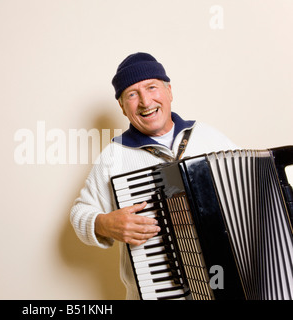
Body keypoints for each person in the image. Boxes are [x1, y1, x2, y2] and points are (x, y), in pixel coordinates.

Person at [70, 52, 239, 300]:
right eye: (132, 94)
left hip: (225, 288)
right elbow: (79, 214)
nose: (145, 101)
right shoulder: (114, 156)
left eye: (152, 87)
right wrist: (104, 224)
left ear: (169, 91)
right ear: (122, 106)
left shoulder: (209, 137)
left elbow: (249, 194)